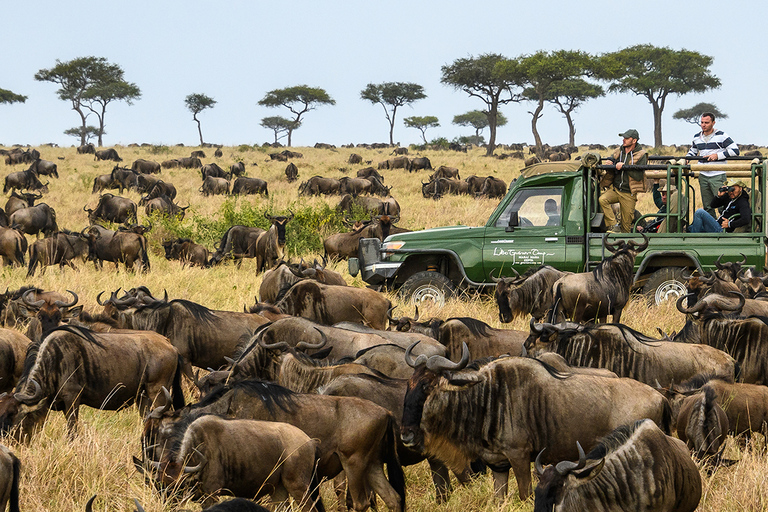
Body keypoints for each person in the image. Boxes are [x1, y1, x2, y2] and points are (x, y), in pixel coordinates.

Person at [686, 112, 740, 218]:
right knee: (707, 206)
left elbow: (735, 150)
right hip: (703, 174)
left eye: (706, 122)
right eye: (702, 122)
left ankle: (724, 229)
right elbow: (692, 151)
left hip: (718, 174)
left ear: (713, 123)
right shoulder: (697, 137)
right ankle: (711, 230)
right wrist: (686, 159)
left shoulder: (722, 135)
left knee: (722, 204)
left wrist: (718, 155)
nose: (703, 125)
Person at [598, 129, 648, 233]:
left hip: (628, 193)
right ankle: (614, 225)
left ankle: (623, 245)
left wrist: (624, 167)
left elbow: (638, 176)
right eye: (623, 138)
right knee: (602, 200)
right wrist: (610, 162)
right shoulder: (618, 151)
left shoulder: (642, 155)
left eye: (626, 138)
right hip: (616, 189)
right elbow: (612, 160)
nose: (623, 140)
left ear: (634, 141)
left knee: (626, 227)